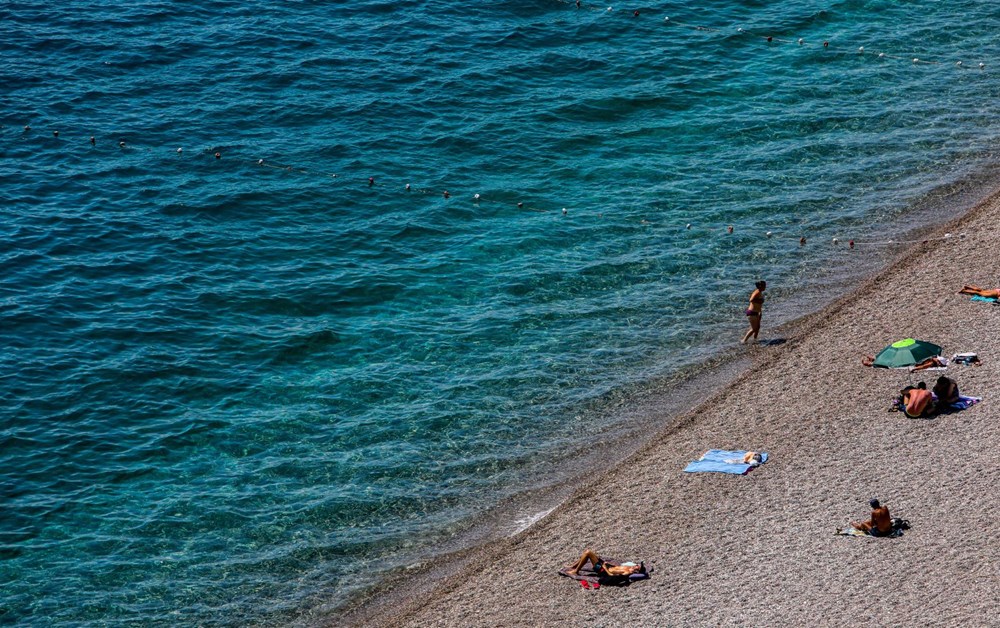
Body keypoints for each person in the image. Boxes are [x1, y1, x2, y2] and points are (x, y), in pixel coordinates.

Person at [564, 550, 644, 577]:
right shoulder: (628, 567)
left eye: (637, 567)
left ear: (637, 571)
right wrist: (608, 564)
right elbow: (616, 567)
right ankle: (574, 566)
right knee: (588, 553)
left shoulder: (627, 572)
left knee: (588, 553)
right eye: (637, 565)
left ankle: (576, 571)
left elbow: (613, 576)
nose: (636, 565)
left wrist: (605, 568)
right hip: (606, 567)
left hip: (602, 571)